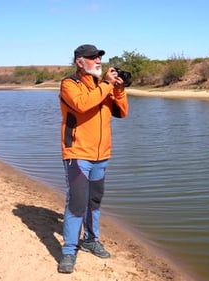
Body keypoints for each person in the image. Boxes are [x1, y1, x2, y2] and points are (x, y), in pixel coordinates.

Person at [57, 44, 129, 274]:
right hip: (77, 154)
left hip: (102, 155)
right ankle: (69, 250)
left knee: (94, 200)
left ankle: (90, 239)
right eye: (92, 58)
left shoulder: (103, 86)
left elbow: (122, 112)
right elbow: (82, 104)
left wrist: (119, 89)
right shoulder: (70, 84)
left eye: (99, 57)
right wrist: (107, 85)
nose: (98, 60)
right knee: (77, 202)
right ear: (80, 62)